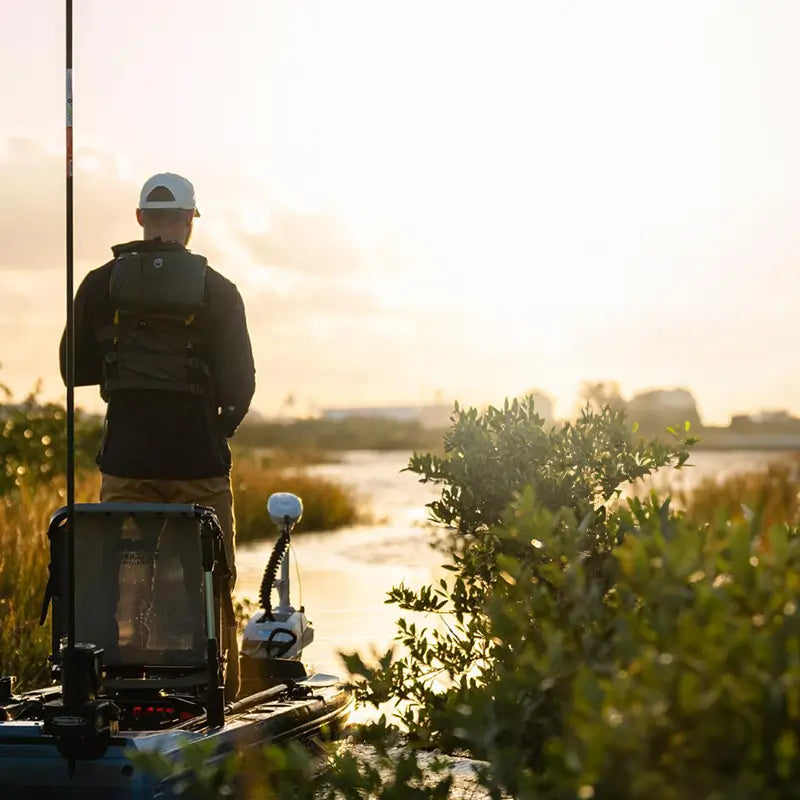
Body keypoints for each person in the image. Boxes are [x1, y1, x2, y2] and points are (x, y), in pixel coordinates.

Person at [59, 172, 255, 699]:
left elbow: (71, 371)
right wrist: (215, 432)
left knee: (120, 585)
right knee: (213, 584)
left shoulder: (99, 284)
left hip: (124, 463)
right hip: (200, 466)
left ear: (140, 218)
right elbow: (242, 385)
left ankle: (118, 693)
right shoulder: (219, 291)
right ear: (192, 222)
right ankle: (217, 698)